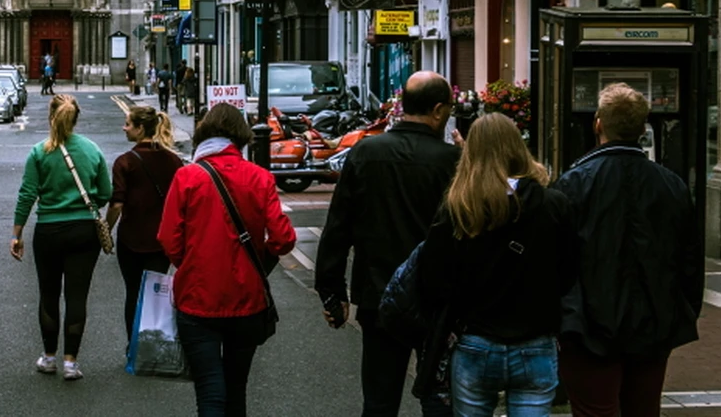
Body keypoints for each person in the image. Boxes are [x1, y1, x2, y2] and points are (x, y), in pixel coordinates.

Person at [315, 71, 460, 417]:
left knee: (379, 401)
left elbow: (339, 227)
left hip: (379, 295)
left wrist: (332, 293)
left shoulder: (367, 152)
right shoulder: (451, 161)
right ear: (439, 111)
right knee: (440, 398)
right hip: (438, 300)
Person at [552, 83, 703, 417]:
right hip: (653, 324)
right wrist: (679, 311)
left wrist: (566, 318)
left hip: (589, 329)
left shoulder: (574, 184)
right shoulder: (671, 185)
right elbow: (689, 259)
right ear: (642, 127)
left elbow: (559, 261)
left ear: (598, 124)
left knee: (595, 409)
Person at [417, 113, 576, 416]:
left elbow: (433, 278)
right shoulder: (553, 205)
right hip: (535, 339)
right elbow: (568, 272)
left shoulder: (459, 206)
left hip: (475, 340)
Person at [159, 103, 296, 416]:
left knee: (210, 391)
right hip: (248, 301)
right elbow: (284, 238)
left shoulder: (187, 176)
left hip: (197, 300)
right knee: (236, 389)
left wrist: (192, 264)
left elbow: (168, 238)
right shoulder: (259, 177)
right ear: (241, 136)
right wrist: (259, 262)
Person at [11, 94, 111, 381]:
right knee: (77, 297)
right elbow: (105, 193)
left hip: (49, 231)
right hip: (83, 231)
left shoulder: (39, 152)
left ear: (50, 116)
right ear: (76, 118)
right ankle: (71, 363)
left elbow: (27, 195)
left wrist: (16, 234)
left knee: (49, 295)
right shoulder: (92, 150)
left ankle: (49, 358)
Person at [106, 105, 185, 346]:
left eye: (128, 124)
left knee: (133, 292)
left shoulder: (125, 162)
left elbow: (117, 204)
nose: (124, 128)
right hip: (162, 240)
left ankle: (134, 346)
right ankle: (154, 345)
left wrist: (106, 229)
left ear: (140, 129)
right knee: (155, 293)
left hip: (131, 239)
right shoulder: (174, 161)